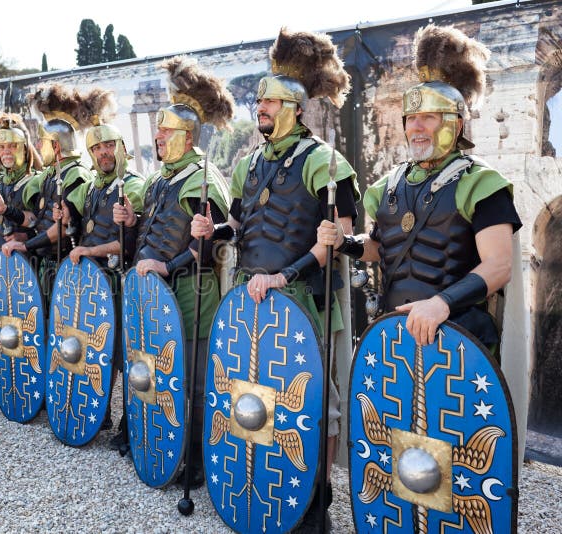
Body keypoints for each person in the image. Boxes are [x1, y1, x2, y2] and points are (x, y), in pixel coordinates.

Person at [190, 28, 358, 529]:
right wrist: (213, 227)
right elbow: (240, 224)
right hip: (252, 298)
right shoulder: (247, 165)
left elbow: (339, 238)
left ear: (295, 107)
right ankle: (269, 485)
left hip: (306, 294)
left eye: (268, 102)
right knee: (258, 394)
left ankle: (318, 493)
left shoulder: (325, 162)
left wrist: (287, 275)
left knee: (313, 402)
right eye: (258, 102)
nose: (259, 108)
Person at [317, 24, 521, 353]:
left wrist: (441, 303)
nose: (417, 127)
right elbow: (379, 246)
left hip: (459, 339)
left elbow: (499, 266)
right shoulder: (390, 184)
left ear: (456, 123)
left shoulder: (481, 184)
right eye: (411, 118)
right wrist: (346, 242)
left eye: (429, 117)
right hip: (395, 334)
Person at [112, 55, 234, 487]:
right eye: (160, 130)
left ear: (187, 135)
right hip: (151, 291)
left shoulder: (204, 179)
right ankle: (150, 435)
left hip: (189, 292)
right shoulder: (159, 180)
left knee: (195, 380)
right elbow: (145, 236)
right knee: (151, 366)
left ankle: (197, 458)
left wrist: (166, 264)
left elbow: (211, 242)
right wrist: (130, 225)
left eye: (166, 131)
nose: (158, 136)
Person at [54, 89, 146, 448]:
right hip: (93, 281)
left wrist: (89, 249)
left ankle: (128, 422)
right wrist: (65, 217)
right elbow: (74, 222)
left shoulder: (133, 186)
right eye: (97, 148)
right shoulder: (92, 187)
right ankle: (99, 410)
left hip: (119, 278)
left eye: (109, 146)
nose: (104, 152)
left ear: (121, 147)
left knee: (125, 354)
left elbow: (128, 242)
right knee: (94, 349)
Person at [1, 84, 92, 308]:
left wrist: (27, 245)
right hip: (46, 262)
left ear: (57, 146)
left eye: (43, 142)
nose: (38, 146)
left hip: (66, 263)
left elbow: (62, 227)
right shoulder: (50, 175)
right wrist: (23, 237)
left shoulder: (75, 174)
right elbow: (40, 221)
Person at [0, 110, 43, 246]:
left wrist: (6, 210)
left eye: (12, 146)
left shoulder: (35, 182)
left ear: (24, 149)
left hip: (24, 259)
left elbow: (39, 222)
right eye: (2, 147)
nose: (6, 151)